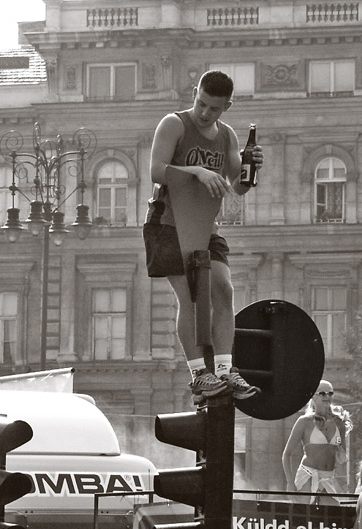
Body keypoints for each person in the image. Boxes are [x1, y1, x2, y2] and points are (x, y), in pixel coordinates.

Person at [143, 70, 264, 401]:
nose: (204, 113)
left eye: (214, 108)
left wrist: (251, 170)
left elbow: (239, 186)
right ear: (195, 92)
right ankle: (199, 374)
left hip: (206, 226)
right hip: (168, 223)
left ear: (228, 106)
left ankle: (225, 371)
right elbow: (156, 169)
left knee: (224, 290)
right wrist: (196, 170)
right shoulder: (175, 124)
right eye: (201, 103)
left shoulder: (227, 137)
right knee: (192, 299)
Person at [281, 380, 348, 502]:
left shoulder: (339, 423)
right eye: (322, 393)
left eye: (330, 393)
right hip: (307, 475)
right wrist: (290, 483)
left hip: (328, 477)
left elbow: (342, 457)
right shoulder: (304, 421)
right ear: (313, 396)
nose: (327, 396)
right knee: (303, 517)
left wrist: (341, 454)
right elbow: (286, 454)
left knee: (334, 517)